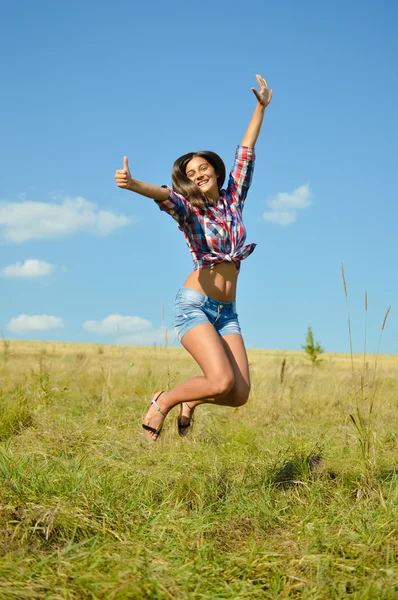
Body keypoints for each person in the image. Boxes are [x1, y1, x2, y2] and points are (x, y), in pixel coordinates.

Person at [115, 74, 272, 441]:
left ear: (216, 172)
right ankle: (164, 401)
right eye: (191, 173)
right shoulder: (190, 210)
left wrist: (260, 107)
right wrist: (135, 184)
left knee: (238, 394)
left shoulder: (234, 199)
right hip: (196, 306)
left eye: (203, 168)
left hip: (227, 312)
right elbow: (164, 196)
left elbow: (246, 152)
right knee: (219, 379)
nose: (198, 174)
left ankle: (191, 401)